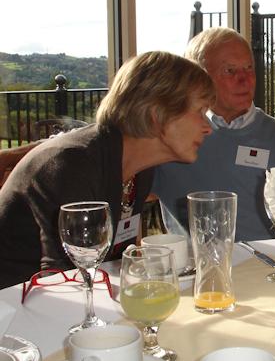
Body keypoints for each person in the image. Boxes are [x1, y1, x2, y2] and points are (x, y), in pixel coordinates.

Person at [0, 51, 215, 288]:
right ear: (158, 114)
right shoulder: (73, 165)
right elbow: (66, 281)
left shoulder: (139, 169)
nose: (208, 128)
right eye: (200, 112)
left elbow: (115, 259)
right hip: (13, 309)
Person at [152, 27, 275, 241]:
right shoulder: (171, 140)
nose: (245, 79)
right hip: (197, 270)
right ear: (199, 78)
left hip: (269, 268)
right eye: (230, 71)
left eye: (249, 68)